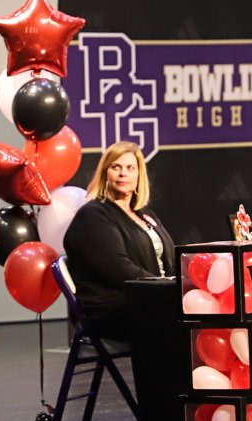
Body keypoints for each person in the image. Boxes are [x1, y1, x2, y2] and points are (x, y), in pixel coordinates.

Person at [62, 141, 175, 340]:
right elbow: (119, 268)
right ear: (105, 173)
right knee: (182, 319)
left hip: (151, 298)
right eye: (116, 167)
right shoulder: (93, 216)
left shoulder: (143, 213)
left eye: (130, 168)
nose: (123, 173)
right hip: (113, 310)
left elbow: (169, 255)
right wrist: (165, 289)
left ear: (139, 175)